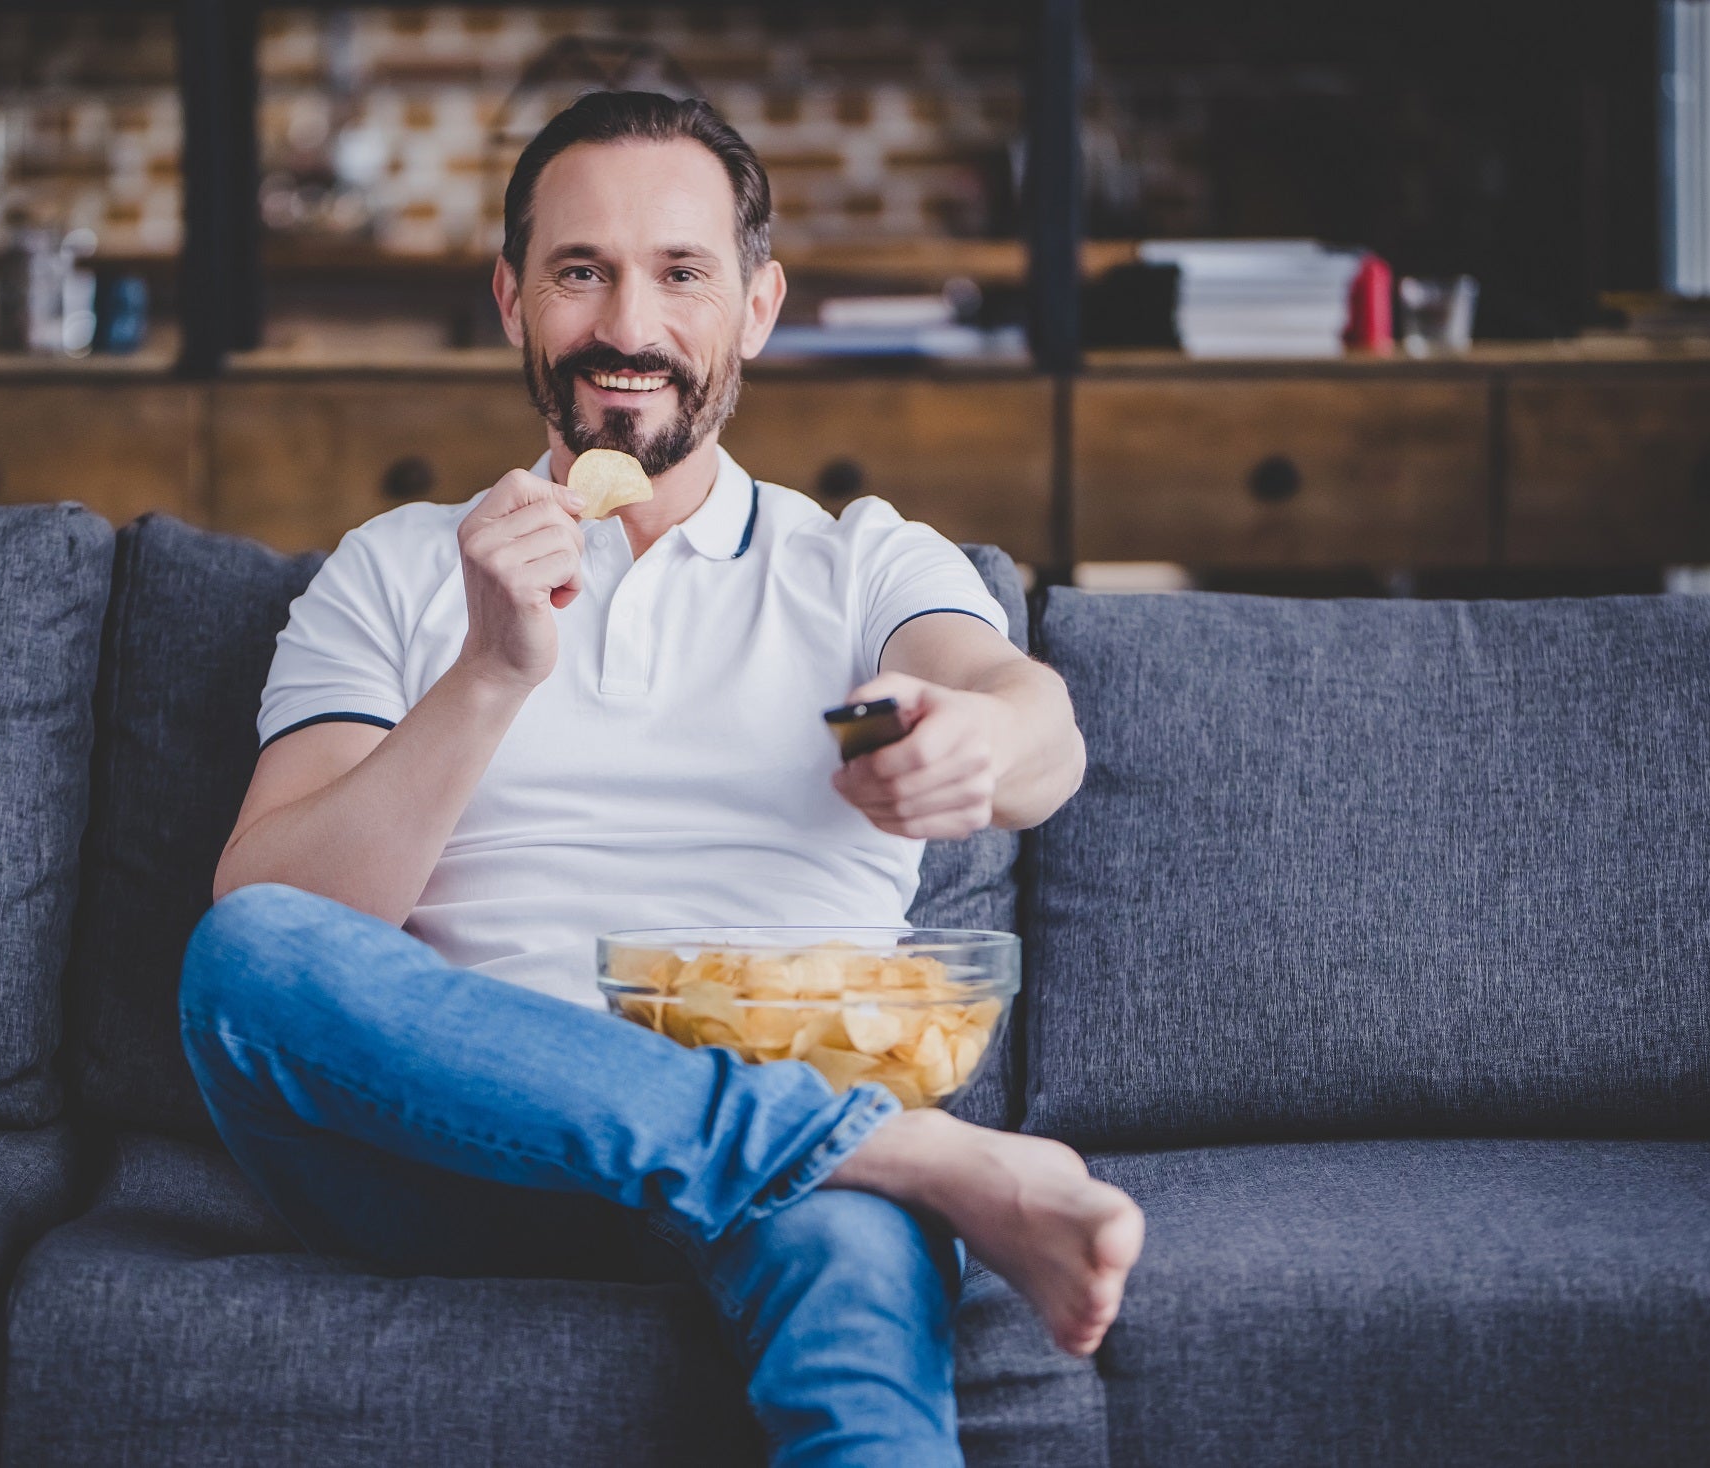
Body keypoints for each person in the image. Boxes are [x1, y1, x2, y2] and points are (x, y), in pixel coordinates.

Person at [181, 90, 1144, 1467]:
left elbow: (1025, 718)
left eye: (679, 273)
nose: (627, 326)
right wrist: (493, 675)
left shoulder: (861, 567)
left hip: (796, 1186)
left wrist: (970, 745)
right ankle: (906, 1158)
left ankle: (842, 1159)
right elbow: (278, 916)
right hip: (459, 1158)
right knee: (247, 954)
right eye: (581, 271)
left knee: (849, 1275)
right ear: (514, 297)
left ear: (756, 306)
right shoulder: (399, 568)